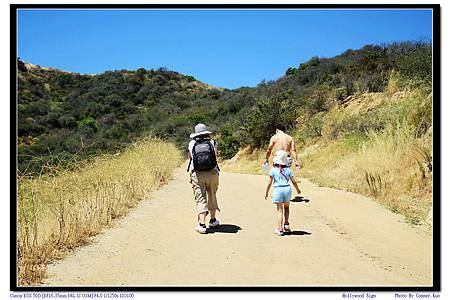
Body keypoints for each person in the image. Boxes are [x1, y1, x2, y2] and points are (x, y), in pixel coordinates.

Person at [187, 123, 220, 234]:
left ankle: (202, 224)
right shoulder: (213, 142)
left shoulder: (192, 143)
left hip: (197, 174)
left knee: (200, 197)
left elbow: (190, 157)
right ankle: (213, 220)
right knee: (212, 194)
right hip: (212, 172)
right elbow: (215, 156)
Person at [264, 150, 301, 236]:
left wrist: (266, 192)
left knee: (279, 210)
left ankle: (280, 229)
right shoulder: (288, 170)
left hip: (278, 190)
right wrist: (298, 189)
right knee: (287, 207)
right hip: (287, 189)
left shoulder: (273, 170)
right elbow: (294, 181)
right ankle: (286, 225)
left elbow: (269, 182)